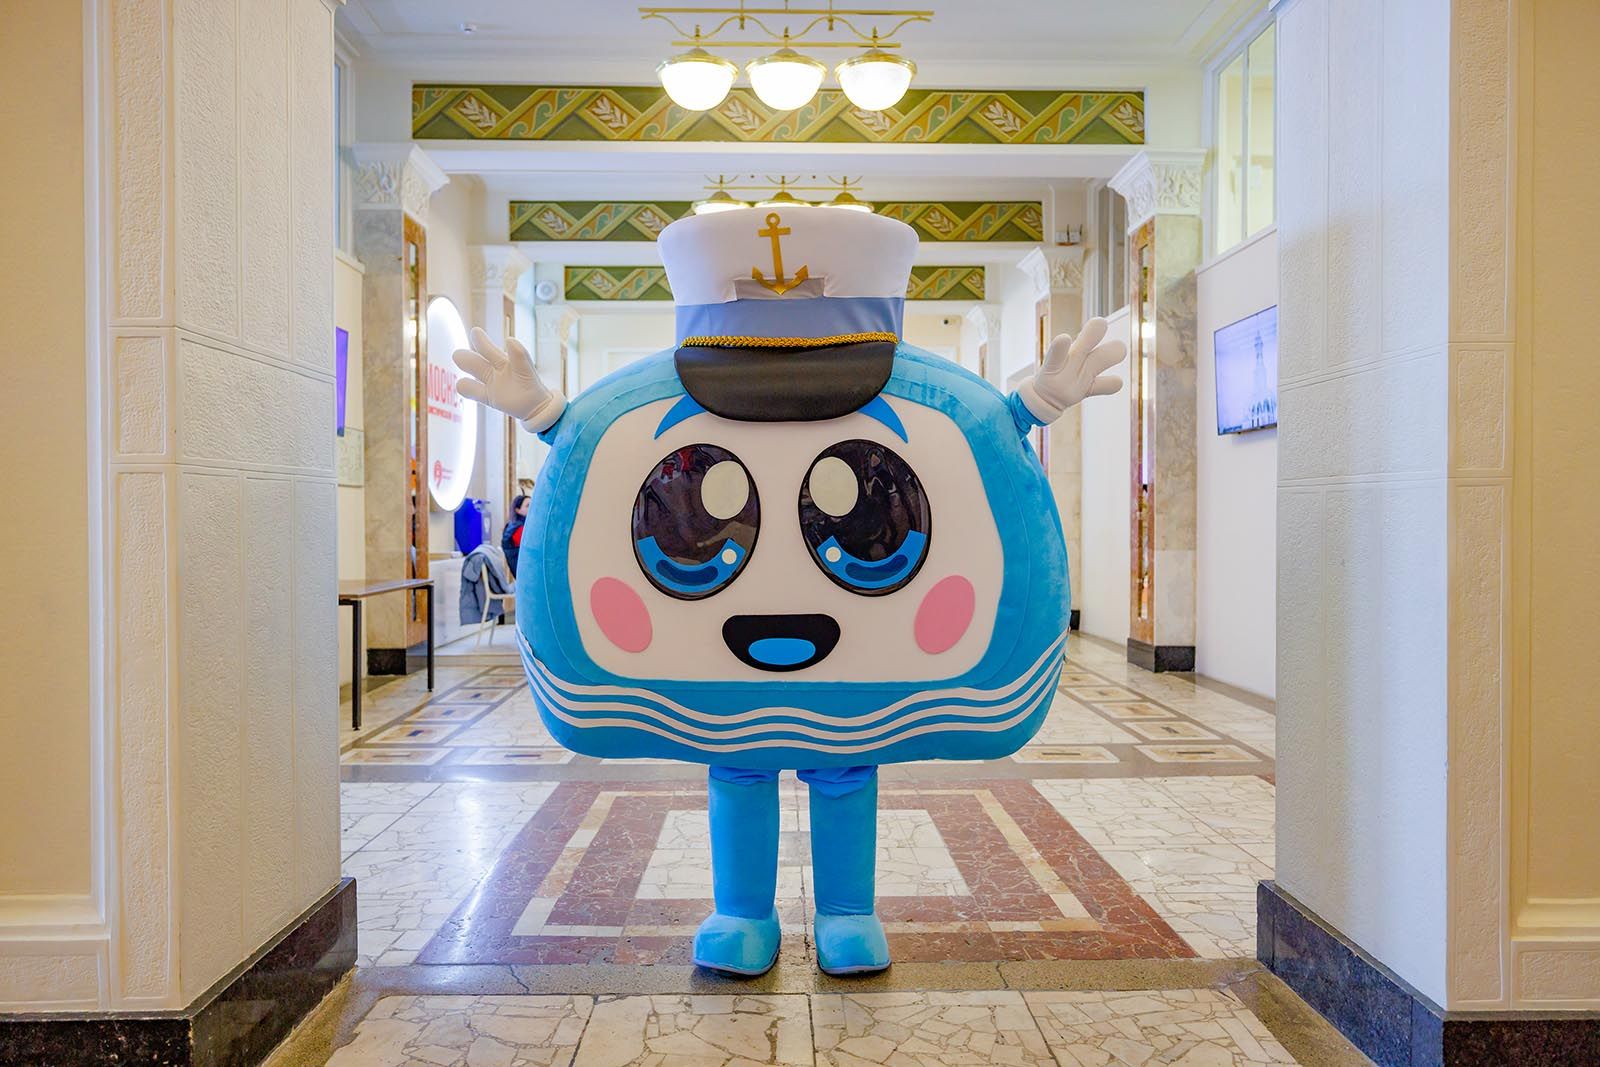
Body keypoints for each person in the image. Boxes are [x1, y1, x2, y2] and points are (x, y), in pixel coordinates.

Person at [501, 493, 529, 578]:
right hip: (526, 575)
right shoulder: (518, 529)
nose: (532, 508)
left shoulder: (512, 526)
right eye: (528, 506)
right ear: (518, 510)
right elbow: (532, 549)